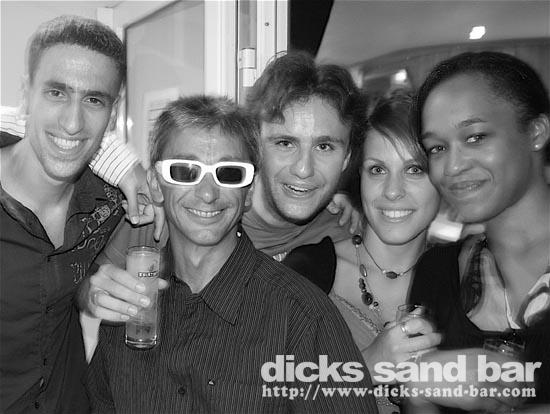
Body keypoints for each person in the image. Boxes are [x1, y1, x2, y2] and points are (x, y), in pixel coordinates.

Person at [86, 95, 379, 413]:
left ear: (248, 190)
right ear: (156, 185)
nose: (207, 193)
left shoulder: (304, 320)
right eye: (185, 171)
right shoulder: (129, 306)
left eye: (228, 173)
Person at [82, 51, 366, 325]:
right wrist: (93, 296)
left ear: (346, 159)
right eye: (284, 143)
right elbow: (88, 288)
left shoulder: (344, 229)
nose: (304, 169)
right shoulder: (169, 212)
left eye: (324, 147)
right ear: (255, 146)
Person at [408, 51, 550, 412]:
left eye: (475, 137)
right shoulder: (438, 271)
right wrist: (419, 387)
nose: (452, 166)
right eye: (437, 148)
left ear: (536, 132)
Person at [283, 91, 442, 413]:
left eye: (414, 170)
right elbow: (260, 393)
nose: (393, 191)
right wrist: (366, 365)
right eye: (377, 170)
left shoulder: (459, 277)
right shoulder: (308, 272)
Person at [0, 15, 126, 413]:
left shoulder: (110, 206)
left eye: (94, 100)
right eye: (56, 93)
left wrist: (91, 291)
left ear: (112, 112)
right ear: (26, 95)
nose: (72, 123)